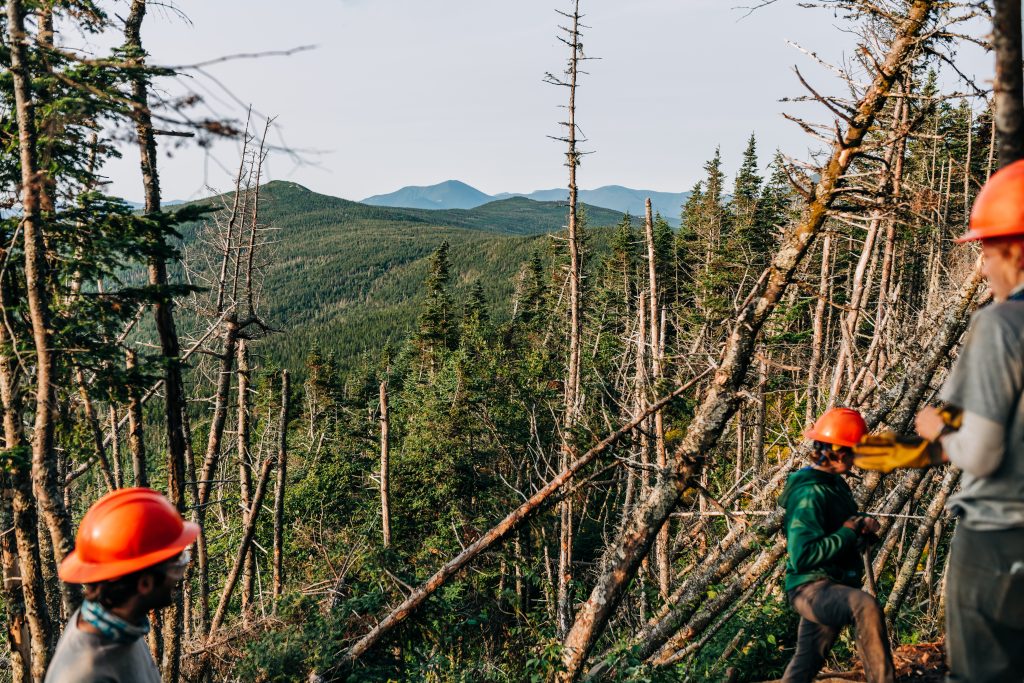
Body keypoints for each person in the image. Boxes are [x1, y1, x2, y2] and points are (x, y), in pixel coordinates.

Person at [915, 158, 1024, 682]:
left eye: (985, 247)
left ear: (1016, 248)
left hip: (1001, 542)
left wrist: (940, 429)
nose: (982, 265)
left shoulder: (1002, 323)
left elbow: (980, 451)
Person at [779, 407, 894, 683]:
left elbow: (844, 528)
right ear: (839, 451)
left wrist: (862, 526)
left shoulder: (834, 485)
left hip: (832, 584)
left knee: (805, 665)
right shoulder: (809, 493)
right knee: (865, 606)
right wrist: (847, 533)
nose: (856, 459)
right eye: (855, 452)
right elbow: (804, 555)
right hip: (811, 588)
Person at [45, 487, 199, 683]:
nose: (180, 576)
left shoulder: (122, 625)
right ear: (145, 583)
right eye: (177, 566)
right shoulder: (86, 675)